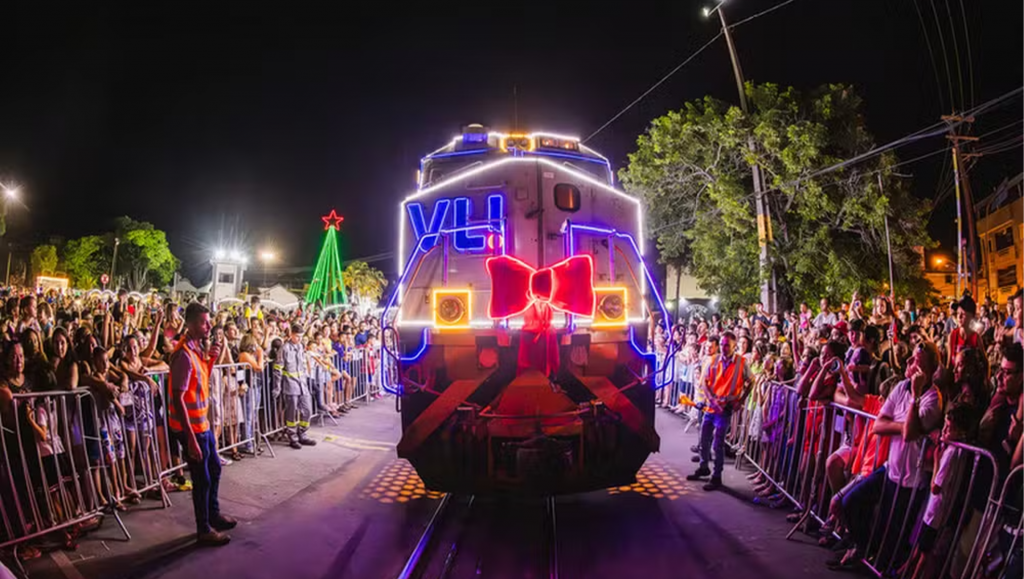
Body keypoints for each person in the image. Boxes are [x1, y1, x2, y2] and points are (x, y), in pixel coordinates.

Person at [168, 302, 236, 547]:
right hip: (191, 429)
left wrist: (213, 360)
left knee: (214, 469)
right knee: (202, 477)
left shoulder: (197, 349)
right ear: (191, 323)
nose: (208, 326)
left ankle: (213, 515)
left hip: (202, 425)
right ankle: (203, 528)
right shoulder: (184, 353)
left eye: (208, 322)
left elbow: (202, 380)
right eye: (204, 322)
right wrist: (189, 439)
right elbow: (178, 397)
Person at [687, 331, 752, 491]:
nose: (723, 348)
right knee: (704, 438)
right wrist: (712, 399)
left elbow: (751, 382)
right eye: (722, 344)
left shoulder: (741, 363)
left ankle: (717, 476)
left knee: (717, 443)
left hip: (725, 409)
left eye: (726, 345)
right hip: (712, 406)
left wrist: (741, 401)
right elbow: (705, 384)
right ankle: (704, 468)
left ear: (733, 346)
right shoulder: (714, 360)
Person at [276, 323, 316, 450]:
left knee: (307, 410)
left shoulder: (300, 347)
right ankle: (292, 437)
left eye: (301, 336)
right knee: (291, 414)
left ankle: (302, 433)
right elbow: (278, 369)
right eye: (297, 336)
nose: (299, 339)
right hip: (290, 384)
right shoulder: (284, 349)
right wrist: (277, 387)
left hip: (302, 384)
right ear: (291, 334)